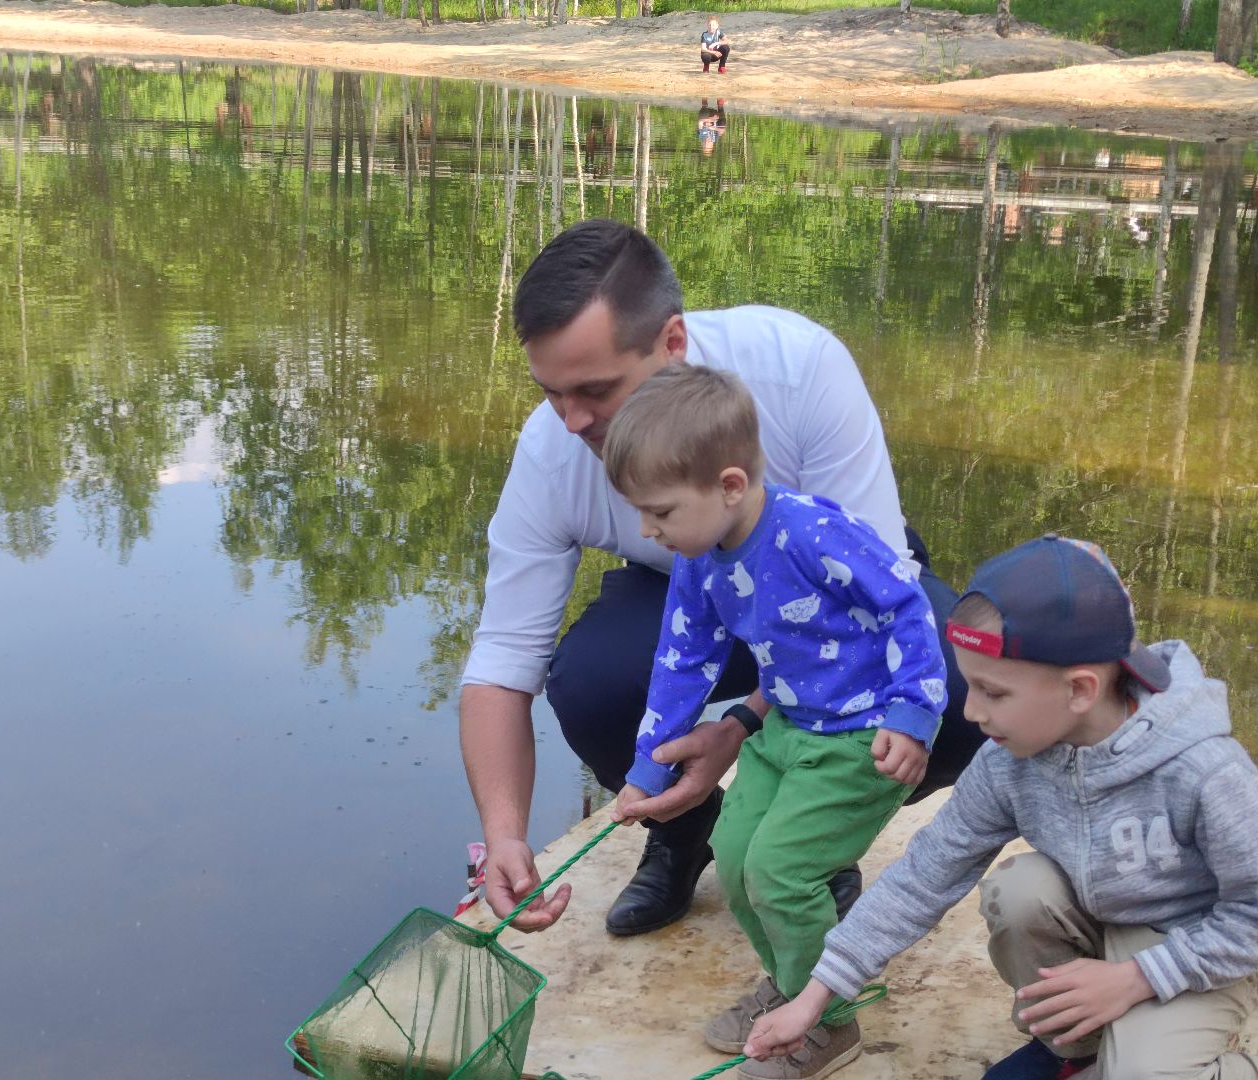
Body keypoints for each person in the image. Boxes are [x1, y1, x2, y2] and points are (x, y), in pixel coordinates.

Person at [458, 219, 981, 944]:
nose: (572, 421)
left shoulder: (798, 369)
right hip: (694, 597)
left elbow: (884, 596)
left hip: (836, 595)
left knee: (956, 689)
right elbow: (501, 665)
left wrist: (739, 728)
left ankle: (819, 837)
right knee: (588, 682)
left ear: (672, 342)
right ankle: (684, 831)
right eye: (552, 392)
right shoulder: (552, 450)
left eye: (595, 391)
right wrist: (504, 835)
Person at [744, 535, 1258, 1080]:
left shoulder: (1206, 770)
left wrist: (1137, 977)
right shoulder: (1007, 762)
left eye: (993, 692)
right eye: (969, 686)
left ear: (1080, 690)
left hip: (1195, 947)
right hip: (1099, 919)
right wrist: (814, 999)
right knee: (1019, 890)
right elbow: (923, 877)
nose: (970, 711)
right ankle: (1075, 1050)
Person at [605, 365, 948, 1080]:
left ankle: (828, 1021)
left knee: (779, 871)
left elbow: (905, 605)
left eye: (660, 511)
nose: (646, 530)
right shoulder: (698, 559)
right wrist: (647, 768)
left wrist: (915, 712)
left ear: (730, 485)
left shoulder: (813, 532)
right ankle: (792, 987)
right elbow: (682, 660)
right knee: (734, 858)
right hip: (788, 726)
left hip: (864, 732)